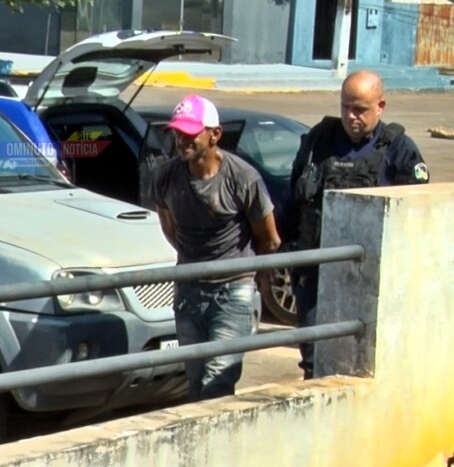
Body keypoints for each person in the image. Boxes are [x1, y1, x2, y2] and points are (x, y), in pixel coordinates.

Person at [286, 69, 429, 379]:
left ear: (381, 106)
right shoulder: (318, 142)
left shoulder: (399, 149)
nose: (351, 116)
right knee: (315, 361)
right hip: (316, 272)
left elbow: (418, 213)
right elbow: (293, 203)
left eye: (361, 109)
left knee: (365, 363)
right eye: (345, 107)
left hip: (371, 278)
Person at [152, 94, 281, 402]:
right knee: (195, 381)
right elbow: (171, 230)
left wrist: (248, 277)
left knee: (217, 383)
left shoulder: (242, 178)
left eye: (190, 132)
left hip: (232, 290)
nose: (182, 139)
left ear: (215, 135)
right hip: (189, 289)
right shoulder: (166, 177)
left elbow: (270, 239)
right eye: (177, 132)